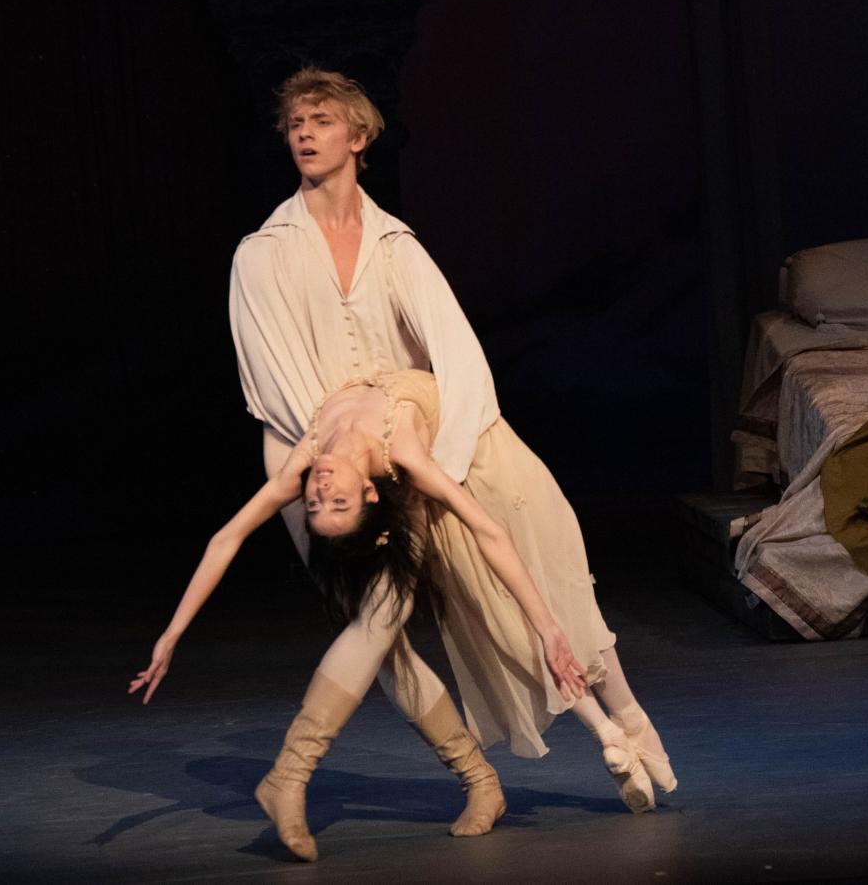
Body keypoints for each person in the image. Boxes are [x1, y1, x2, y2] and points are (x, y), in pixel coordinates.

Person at [130, 69, 675, 861]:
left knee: (534, 516)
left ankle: (621, 715)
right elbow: (279, 383)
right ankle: (461, 775)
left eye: (321, 120)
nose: (305, 133)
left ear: (359, 137)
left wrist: (425, 463)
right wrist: (346, 453)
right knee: (378, 618)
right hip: (310, 442)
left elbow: (457, 354)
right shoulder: (262, 254)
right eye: (294, 124)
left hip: (407, 428)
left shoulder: (396, 246)